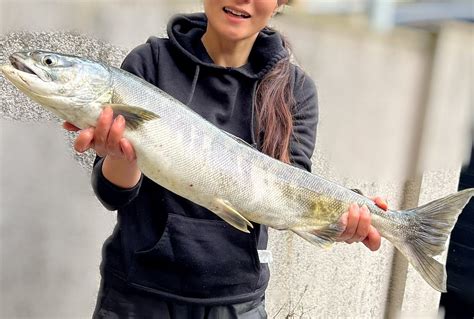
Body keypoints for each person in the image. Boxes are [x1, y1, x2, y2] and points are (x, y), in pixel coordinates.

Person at [64, 0, 388, 317]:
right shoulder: (150, 62)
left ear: (279, 3)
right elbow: (112, 193)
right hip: (138, 296)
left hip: (237, 305)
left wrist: (343, 217)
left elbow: (292, 194)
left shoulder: (295, 90)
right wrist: (123, 155)